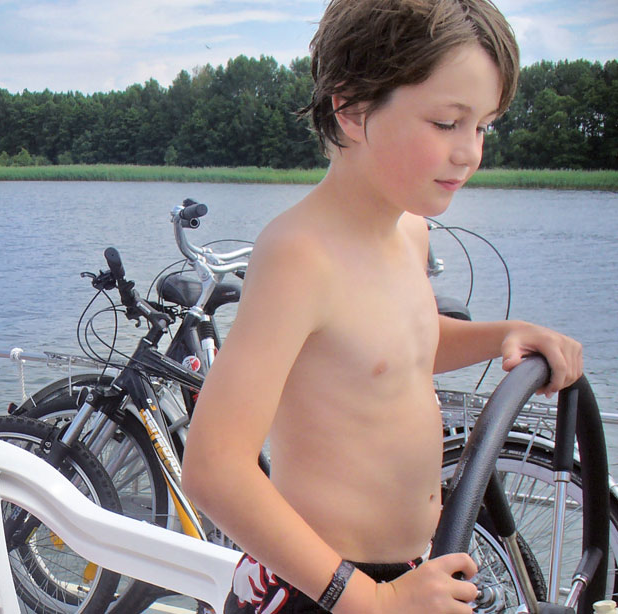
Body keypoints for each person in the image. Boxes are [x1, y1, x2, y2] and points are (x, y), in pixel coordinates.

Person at [180, 1, 584, 613]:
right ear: (351, 109)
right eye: (447, 123)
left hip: (409, 571)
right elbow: (215, 467)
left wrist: (508, 332)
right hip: (323, 585)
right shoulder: (300, 256)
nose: (470, 153)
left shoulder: (410, 232)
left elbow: (398, 346)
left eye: (483, 127)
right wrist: (370, 599)